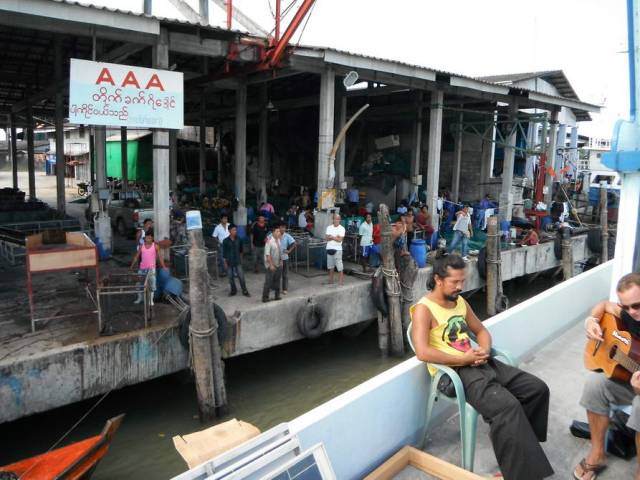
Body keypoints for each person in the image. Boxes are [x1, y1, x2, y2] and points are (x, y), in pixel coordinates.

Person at [411, 251, 553, 480]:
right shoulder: (424, 309)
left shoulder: (460, 302)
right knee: (506, 407)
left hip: (477, 361)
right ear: (438, 279)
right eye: (454, 282)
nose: (460, 286)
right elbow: (422, 352)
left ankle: (522, 451)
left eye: (462, 281)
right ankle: (519, 472)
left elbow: (481, 331)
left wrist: (484, 349)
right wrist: (464, 359)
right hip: (454, 373)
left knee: (536, 389)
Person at [575, 273, 640, 480]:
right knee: (595, 383)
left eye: (637, 306)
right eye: (626, 306)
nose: (631, 312)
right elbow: (604, 305)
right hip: (631, 378)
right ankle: (598, 454)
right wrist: (591, 321)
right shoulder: (628, 312)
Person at [130, 230, 167, 306]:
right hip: (142, 268)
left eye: (150, 238)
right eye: (147, 238)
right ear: (144, 238)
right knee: (139, 284)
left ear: (152, 238)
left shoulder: (155, 246)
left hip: (151, 269)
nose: (148, 239)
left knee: (151, 284)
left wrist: (164, 267)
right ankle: (140, 298)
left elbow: (160, 257)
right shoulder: (141, 246)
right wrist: (131, 266)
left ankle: (151, 300)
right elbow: (136, 257)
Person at [222, 224, 250, 297]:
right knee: (230, 277)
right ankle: (233, 290)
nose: (235, 231)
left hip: (238, 261)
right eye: (234, 230)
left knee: (241, 276)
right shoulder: (225, 241)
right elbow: (224, 253)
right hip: (229, 261)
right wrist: (225, 262)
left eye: (235, 230)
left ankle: (244, 290)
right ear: (229, 231)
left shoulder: (239, 239)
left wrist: (241, 259)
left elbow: (241, 251)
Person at [262, 226, 283, 303]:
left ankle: (277, 296)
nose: (279, 233)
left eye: (279, 231)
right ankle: (265, 297)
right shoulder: (269, 241)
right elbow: (268, 255)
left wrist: (281, 261)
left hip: (278, 264)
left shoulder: (279, 240)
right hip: (270, 266)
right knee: (268, 282)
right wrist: (271, 265)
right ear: (273, 232)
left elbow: (280, 251)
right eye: (277, 231)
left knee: (277, 281)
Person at [325, 213, 345, 285]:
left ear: (340, 220)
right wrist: (336, 237)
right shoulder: (329, 227)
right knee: (330, 266)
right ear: (333, 219)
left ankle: (341, 281)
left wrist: (332, 237)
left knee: (339, 266)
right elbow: (326, 238)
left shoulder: (342, 228)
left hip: (338, 250)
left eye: (338, 219)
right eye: (335, 219)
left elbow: (340, 240)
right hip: (329, 248)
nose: (336, 220)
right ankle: (331, 280)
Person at [279, 223, 296, 295]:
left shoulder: (287, 236)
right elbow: (267, 240)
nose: (282, 229)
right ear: (279, 227)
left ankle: (284, 289)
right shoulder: (275, 234)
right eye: (281, 227)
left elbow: (294, 243)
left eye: (284, 228)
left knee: (285, 274)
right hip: (276, 257)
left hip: (285, 258)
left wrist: (289, 251)